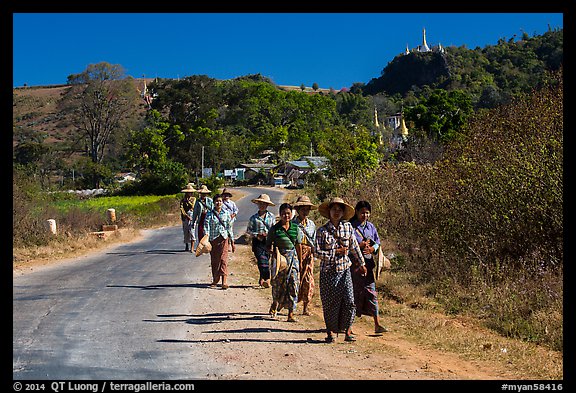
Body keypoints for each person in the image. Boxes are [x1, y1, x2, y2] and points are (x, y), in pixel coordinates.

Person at [315, 197, 365, 343]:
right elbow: (316, 252)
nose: (336, 212)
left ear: (343, 213)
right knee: (330, 304)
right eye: (334, 209)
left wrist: (361, 263)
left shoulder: (348, 228)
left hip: (345, 270)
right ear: (329, 212)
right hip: (328, 272)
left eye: (339, 210)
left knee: (349, 301)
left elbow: (354, 246)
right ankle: (330, 333)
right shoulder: (322, 231)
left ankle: (347, 331)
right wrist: (334, 252)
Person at [350, 200, 389, 334]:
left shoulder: (371, 227)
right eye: (362, 212)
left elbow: (377, 242)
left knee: (372, 294)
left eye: (367, 213)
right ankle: (349, 326)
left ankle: (377, 324)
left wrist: (373, 248)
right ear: (356, 212)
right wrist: (359, 246)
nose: (365, 215)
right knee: (353, 295)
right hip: (353, 267)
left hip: (368, 266)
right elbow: (347, 244)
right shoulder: (350, 226)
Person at [266, 202, 303, 322]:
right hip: (279, 260)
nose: (286, 216)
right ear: (280, 214)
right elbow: (268, 246)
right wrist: (275, 256)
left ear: (291, 214)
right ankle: (275, 303)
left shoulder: (295, 228)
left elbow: (298, 246)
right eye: (283, 214)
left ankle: (291, 313)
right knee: (278, 285)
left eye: (288, 213)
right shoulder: (274, 229)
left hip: (293, 259)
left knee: (293, 284)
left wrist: (300, 261)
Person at [292, 195, 317, 316]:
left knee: (308, 279)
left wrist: (313, 252)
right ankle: (292, 305)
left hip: (309, 253)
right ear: (298, 210)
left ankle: (306, 307)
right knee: (296, 278)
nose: (305, 211)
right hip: (296, 253)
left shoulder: (311, 224)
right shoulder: (293, 224)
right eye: (303, 209)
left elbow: (314, 240)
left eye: (307, 209)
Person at [203, 194, 235, 290]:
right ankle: (215, 279)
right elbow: (206, 227)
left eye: (220, 201)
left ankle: (224, 281)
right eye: (217, 201)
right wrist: (206, 238)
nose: (218, 203)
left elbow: (229, 228)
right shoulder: (209, 214)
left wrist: (232, 241)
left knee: (223, 259)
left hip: (223, 238)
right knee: (215, 260)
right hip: (213, 240)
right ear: (213, 203)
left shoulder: (226, 213)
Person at [245, 194, 276, 288]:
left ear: (267, 205)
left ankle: (262, 277)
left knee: (266, 259)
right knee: (262, 260)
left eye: (264, 204)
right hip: (257, 242)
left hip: (268, 242)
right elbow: (248, 231)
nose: (262, 205)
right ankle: (267, 279)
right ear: (258, 204)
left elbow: (274, 229)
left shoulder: (271, 217)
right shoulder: (253, 218)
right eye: (260, 203)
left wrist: (269, 235)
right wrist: (257, 235)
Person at [191, 185, 214, 252]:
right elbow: (195, 212)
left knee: (208, 233)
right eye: (202, 194)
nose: (203, 195)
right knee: (201, 233)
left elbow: (213, 209)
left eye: (205, 194)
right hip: (201, 218)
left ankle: (208, 246)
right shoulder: (198, 202)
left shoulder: (210, 201)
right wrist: (193, 222)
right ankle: (202, 247)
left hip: (209, 218)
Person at [179, 183, 197, 252]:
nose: (190, 193)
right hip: (185, 217)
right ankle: (187, 244)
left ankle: (192, 247)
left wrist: (188, 201)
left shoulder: (193, 199)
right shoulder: (182, 200)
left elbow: (193, 206)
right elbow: (181, 208)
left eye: (191, 192)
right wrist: (186, 216)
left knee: (192, 230)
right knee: (185, 231)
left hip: (192, 215)